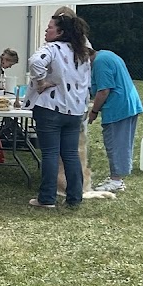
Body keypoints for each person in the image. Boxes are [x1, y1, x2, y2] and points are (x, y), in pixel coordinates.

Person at [22, 12, 92, 209]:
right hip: (74, 110)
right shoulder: (82, 53)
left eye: (50, 27)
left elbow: (35, 62)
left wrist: (40, 82)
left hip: (51, 108)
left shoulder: (52, 48)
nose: (46, 30)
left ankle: (47, 198)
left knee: (51, 154)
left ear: (60, 32)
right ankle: (74, 197)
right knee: (70, 154)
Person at [88, 47, 143, 193]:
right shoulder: (107, 54)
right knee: (122, 143)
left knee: (115, 143)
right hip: (128, 104)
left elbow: (104, 90)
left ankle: (116, 180)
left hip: (118, 107)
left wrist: (94, 111)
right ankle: (117, 178)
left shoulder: (99, 63)